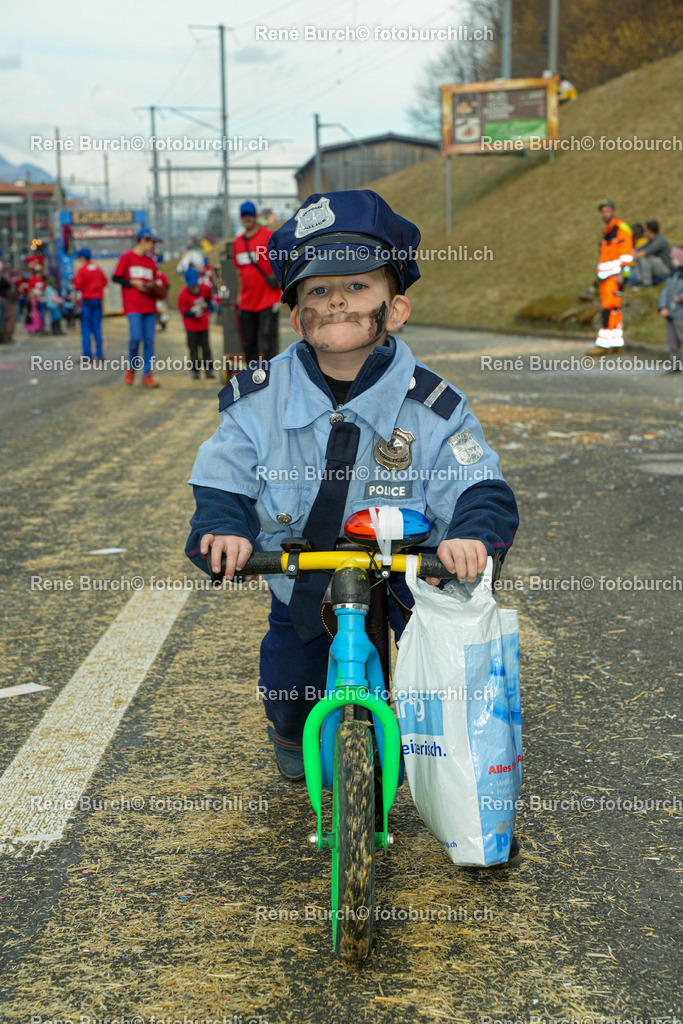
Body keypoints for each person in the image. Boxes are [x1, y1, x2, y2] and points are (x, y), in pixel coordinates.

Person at [185, 189, 519, 798]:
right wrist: (223, 524)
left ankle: (449, 768)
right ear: (295, 315)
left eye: (358, 286)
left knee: (439, 676)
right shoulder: (258, 398)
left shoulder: (433, 404)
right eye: (317, 288)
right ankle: (289, 732)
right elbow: (224, 471)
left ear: (396, 309)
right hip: (300, 571)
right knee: (290, 678)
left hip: (406, 570)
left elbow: (477, 480)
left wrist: (472, 533)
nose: (336, 297)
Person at [113, 228, 164, 388]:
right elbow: (116, 277)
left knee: (149, 341)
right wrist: (132, 282)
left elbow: (156, 282)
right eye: (152, 242)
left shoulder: (150, 262)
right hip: (133, 306)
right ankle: (132, 368)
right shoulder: (127, 257)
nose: (154, 246)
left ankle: (147, 375)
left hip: (149, 307)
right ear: (143, 240)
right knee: (135, 338)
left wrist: (153, 288)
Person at [233, 200, 281, 365]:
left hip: (268, 300)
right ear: (240, 217)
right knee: (249, 344)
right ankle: (253, 379)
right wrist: (240, 295)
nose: (247, 218)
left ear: (257, 216)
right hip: (247, 303)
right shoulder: (238, 243)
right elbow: (240, 271)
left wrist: (281, 292)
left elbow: (280, 263)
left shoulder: (268, 237)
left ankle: (273, 378)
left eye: (250, 214)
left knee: (268, 343)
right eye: (244, 215)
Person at [586, 199, 633, 358]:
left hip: (614, 276)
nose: (605, 214)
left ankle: (603, 344)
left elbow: (626, 253)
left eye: (607, 210)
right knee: (614, 309)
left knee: (608, 309)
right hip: (606, 276)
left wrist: (623, 274)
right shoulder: (607, 230)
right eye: (602, 211)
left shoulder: (621, 229)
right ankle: (615, 342)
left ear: (614, 211)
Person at [178, 267, 215, 379]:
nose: (194, 287)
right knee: (193, 349)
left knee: (206, 348)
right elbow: (183, 311)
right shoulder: (184, 295)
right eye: (191, 285)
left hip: (203, 325)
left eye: (195, 284)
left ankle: (209, 370)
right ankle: (195, 370)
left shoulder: (205, 289)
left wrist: (207, 305)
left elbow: (209, 300)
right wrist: (193, 314)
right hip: (191, 327)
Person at [73, 248, 107, 359]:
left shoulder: (82, 270)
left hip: (87, 300)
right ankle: (100, 354)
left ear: (83, 258)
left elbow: (78, 286)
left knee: (86, 328)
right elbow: (105, 281)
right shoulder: (97, 268)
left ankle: (87, 354)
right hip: (97, 300)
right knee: (97, 327)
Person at [658, 245, 683, 375]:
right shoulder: (673, 274)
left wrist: (681, 298)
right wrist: (662, 306)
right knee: (672, 340)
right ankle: (675, 365)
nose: (673, 260)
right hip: (670, 313)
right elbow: (665, 291)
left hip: (680, 313)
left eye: (675, 258)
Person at [631, 220, 672, 287]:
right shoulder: (652, 239)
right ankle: (640, 280)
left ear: (649, 230)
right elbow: (641, 249)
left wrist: (634, 257)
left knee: (644, 257)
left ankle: (646, 282)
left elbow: (645, 252)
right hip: (658, 265)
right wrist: (634, 252)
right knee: (639, 255)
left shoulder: (659, 240)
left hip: (666, 268)